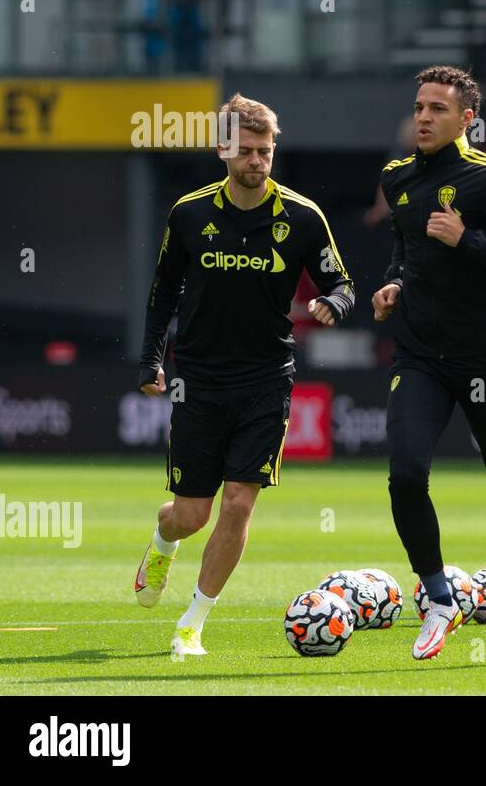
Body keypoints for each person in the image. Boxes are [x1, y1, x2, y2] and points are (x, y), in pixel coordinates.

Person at [134, 93, 355, 659]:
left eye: (266, 151)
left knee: (238, 502)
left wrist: (334, 303)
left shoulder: (303, 217)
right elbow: (162, 294)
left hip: (266, 381)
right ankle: (162, 541)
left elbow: (342, 283)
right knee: (190, 514)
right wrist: (151, 359)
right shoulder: (189, 214)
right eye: (248, 151)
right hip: (198, 381)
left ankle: (192, 624)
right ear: (223, 150)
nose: (258, 160)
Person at [371, 65, 486, 660]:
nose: (423, 117)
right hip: (419, 356)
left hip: (485, 357)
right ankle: (439, 598)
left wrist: (467, 240)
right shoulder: (396, 177)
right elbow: (405, 248)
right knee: (405, 474)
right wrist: (394, 283)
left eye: (438, 109)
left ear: (466, 119)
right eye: (419, 107)